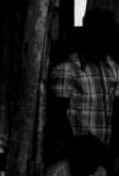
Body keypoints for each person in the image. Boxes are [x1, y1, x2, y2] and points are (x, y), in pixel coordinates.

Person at [48, 9, 119, 160]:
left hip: (104, 158)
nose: (108, 41)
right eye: (102, 35)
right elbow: (57, 119)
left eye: (110, 35)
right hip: (77, 159)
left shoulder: (113, 68)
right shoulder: (68, 70)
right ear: (89, 35)